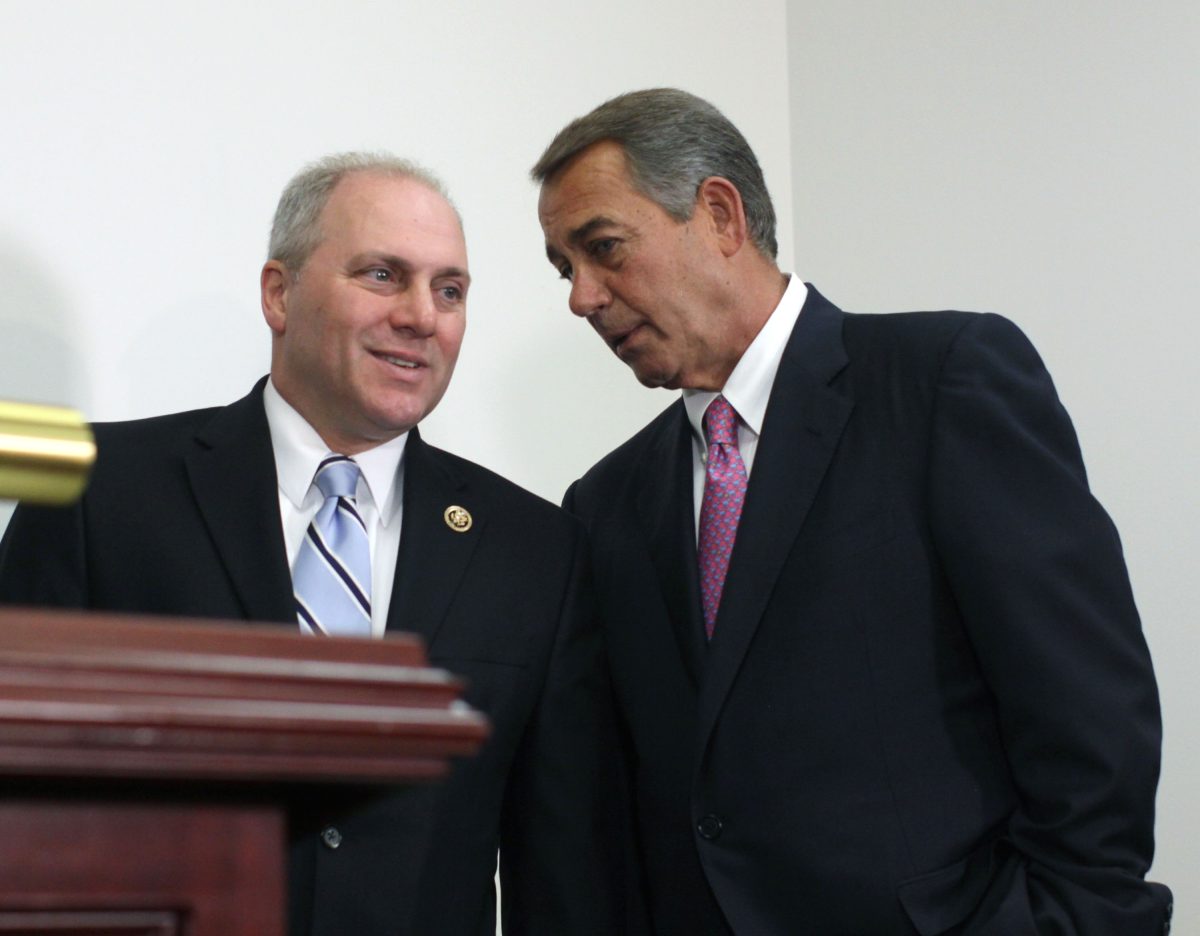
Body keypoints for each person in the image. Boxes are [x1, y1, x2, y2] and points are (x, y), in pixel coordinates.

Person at [533, 88, 1172, 935]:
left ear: (720, 215)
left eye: (603, 248)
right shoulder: (605, 502)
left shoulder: (943, 382)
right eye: (565, 269)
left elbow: (1090, 717)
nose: (582, 297)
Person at [0, 152, 620, 936]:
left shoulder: (536, 552)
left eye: (449, 290)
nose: (422, 316)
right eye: (383, 275)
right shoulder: (100, 493)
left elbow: (561, 875)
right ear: (279, 294)